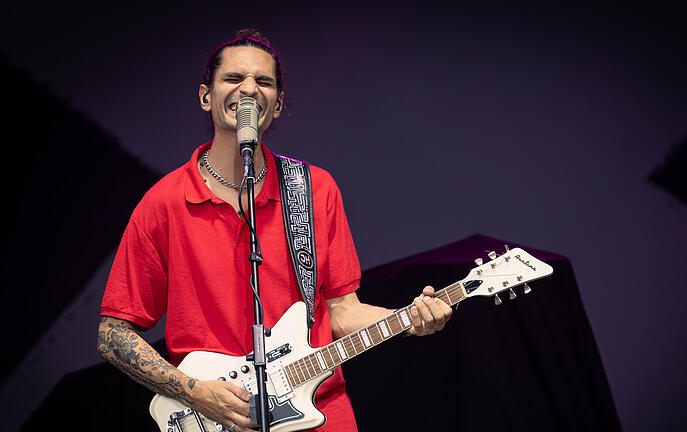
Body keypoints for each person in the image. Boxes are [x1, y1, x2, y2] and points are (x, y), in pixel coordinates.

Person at [97, 29, 452, 432]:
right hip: (212, 417)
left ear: (278, 104)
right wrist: (191, 390)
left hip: (320, 414)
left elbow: (343, 312)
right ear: (206, 96)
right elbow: (112, 334)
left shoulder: (313, 190)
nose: (249, 90)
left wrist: (408, 317)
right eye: (234, 79)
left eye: (263, 82)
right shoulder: (164, 202)